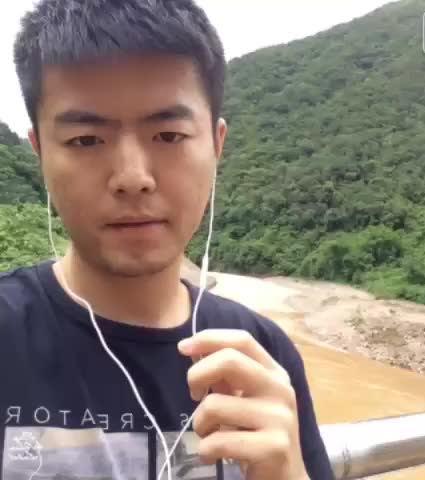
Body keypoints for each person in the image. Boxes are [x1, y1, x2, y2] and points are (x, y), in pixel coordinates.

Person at [0, 0, 335, 478]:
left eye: (169, 135)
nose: (132, 178)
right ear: (39, 152)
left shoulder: (262, 353)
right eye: (86, 140)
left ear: (216, 145)